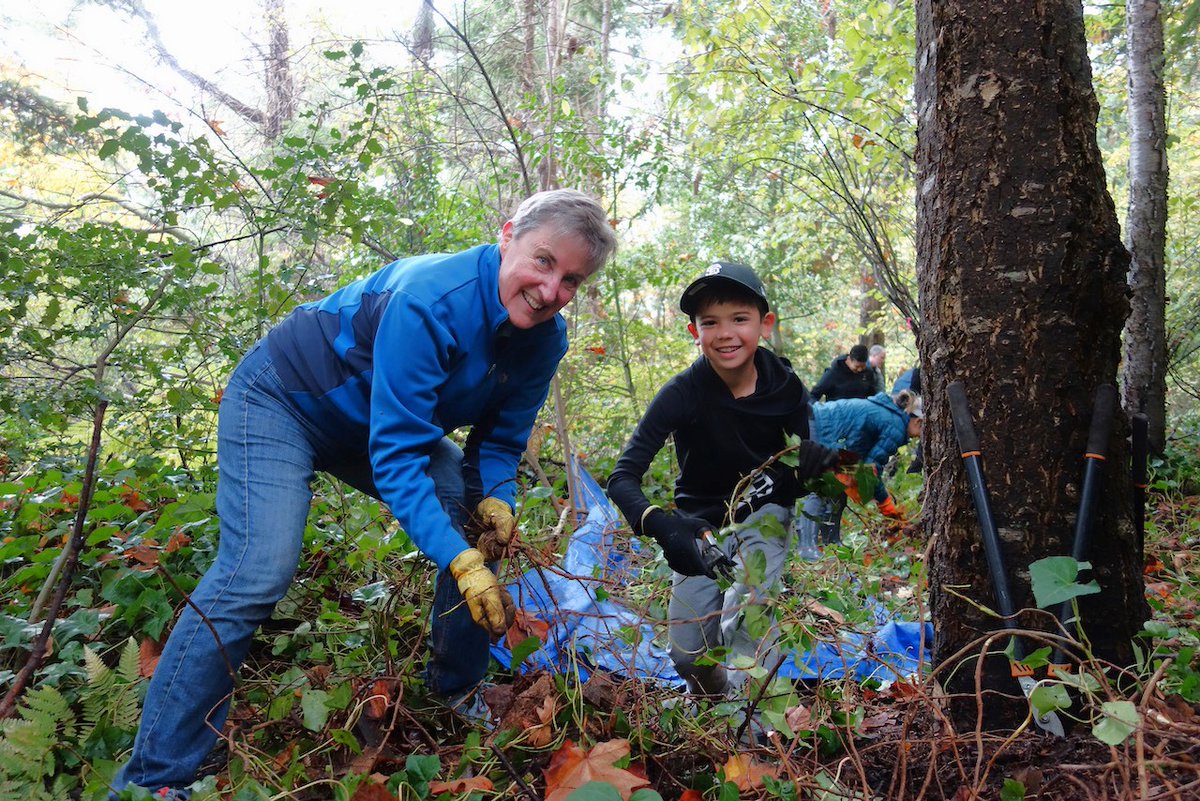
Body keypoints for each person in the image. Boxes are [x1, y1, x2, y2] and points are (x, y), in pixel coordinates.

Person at [111, 189, 617, 799]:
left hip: (374, 422)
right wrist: (459, 562)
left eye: (572, 281)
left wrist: (499, 499)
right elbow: (398, 455)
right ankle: (152, 781)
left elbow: (500, 443)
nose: (551, 290)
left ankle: (455, 689)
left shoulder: (545, 339)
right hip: (285, 401)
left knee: (471, 517)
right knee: (258, 570)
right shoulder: (431, 298)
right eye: (543, 261)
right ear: (507, 235)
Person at [606, 262, 837, 698]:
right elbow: (623, 477)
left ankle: (750, 737)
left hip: (764, 515)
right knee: (688, 655)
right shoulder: (682, 393)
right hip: (701, 526)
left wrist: (816, 469)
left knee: (748, 619)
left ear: (764, 325)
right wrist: (663, 525)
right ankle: (712, 704)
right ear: (695, 332)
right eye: (709, 322)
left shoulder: (786, 388)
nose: (725, 333)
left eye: (739, 319)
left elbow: (798, 462)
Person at [796, 389, 923, 557]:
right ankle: (806, 548)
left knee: (838, 488)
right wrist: (886, 506)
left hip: (822, 424)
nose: (920, 438)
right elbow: (871, 470)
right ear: (918, 422)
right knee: (823, 486)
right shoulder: (896, 426)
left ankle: (831, 544)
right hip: (821, 427)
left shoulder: (891, 416)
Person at [810, 343, 879, 401]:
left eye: (863, 366)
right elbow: (814, 395)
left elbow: (872, 395)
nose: (860, 370)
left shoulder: (868, 373)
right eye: (857, 366)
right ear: (849, 359)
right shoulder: (832, 374)